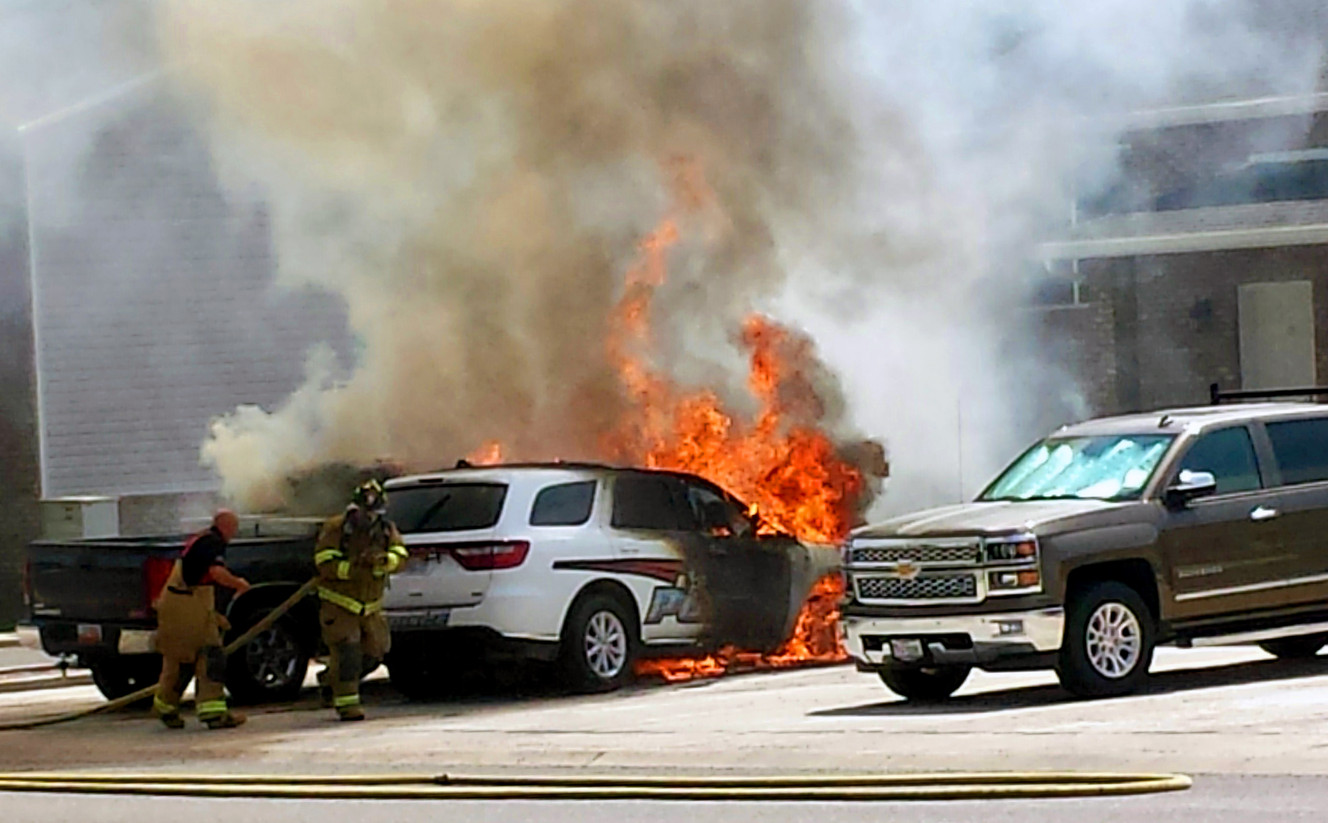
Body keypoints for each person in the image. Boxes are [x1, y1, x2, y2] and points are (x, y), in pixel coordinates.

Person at [314, 480, 409, 720]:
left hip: (371, 605)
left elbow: (401, 554)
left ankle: (330, 681)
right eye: (365, 511)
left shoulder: (387, 529)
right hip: (340, 603)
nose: (369, 517)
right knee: (348, 652)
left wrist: (386, 561)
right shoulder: (336, 528)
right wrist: (354, 569)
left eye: (374, 512)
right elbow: (324, 562)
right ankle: (347, 705)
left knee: (376, 652)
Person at [153, 510, 251, 730]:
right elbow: (216, 572)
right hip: (188, 603)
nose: (234, 533)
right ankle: (213, 713)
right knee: (211, 654)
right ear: (225, 526)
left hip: (177, 603)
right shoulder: (214, 542)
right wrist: (239, 584)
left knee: (179, 659)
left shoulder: (201, 539)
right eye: (233, 528)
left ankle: (165, 708)